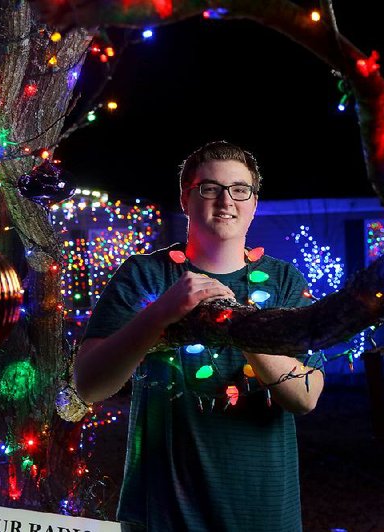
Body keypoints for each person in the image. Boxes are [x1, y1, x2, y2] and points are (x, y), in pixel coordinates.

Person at [75, 141, 324, 531]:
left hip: (263, 508)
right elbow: (88, 384)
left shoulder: (283, 282)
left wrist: (238, 323)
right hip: (163, 509)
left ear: (254, 203)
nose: (226, 201)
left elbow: (305, 396)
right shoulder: (146, 276)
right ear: (185, 200)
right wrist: (161, 312)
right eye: (209, 188)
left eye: (239, 190)